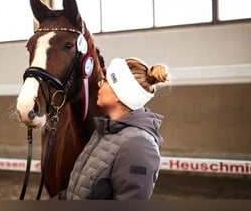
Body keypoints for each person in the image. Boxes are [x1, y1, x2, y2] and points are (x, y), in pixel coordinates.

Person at [54, 57, 169, 200]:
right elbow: (77, 194)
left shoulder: (138, 147)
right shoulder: (105, 131)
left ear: (119, 94)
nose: (99, 84)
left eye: (106, 81)